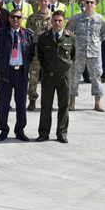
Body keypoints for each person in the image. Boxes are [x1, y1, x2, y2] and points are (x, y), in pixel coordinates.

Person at [0, 8, 36, 141]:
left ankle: (20, 130)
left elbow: (31, 53)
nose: (16, 20)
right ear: (9, 18)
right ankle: (3, 130)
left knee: (21, 103)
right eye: (13, 17)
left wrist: (26, 67)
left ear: (22, 19)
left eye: (19, 17)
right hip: (6, 72)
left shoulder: (28, 34)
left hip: (21, 72)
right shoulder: (1, 34)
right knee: (4, 103)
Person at [36, 11, 75, 143]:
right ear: (51, 22)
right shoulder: (44, 37)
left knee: (64, 106)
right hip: (48, 76)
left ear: (64, 22)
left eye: (60, 20)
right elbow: (40, 56)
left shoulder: (70, 38)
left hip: (64, 77)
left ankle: (62, 133)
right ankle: (43, 133)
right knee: (46, 105)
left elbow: (73, 56)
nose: (57, 23)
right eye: (55, 20)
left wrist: (65, 67)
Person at [67, 0, 105, 112]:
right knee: (74, 77)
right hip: (79, 53)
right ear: (84, 4)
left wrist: (97, 41)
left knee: (96, 78)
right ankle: (71, 102)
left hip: (94, 53)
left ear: (95, 5)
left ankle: (98, 102)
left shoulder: (100, 19)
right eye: (87, 2)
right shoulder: (76, 18)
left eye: (92, 2)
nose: (90, 4)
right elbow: (68, 31)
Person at [25, 0, 52, 111]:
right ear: (38, 2)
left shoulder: (53, 17)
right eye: (42, 1)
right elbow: (28, 35)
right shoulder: (32, 17)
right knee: (34, 77)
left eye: (46, 1)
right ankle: (32, 100)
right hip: (36, 50)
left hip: (49, 51)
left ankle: (47, 102)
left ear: (49, 2)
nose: (44, 3)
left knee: (49, 78)